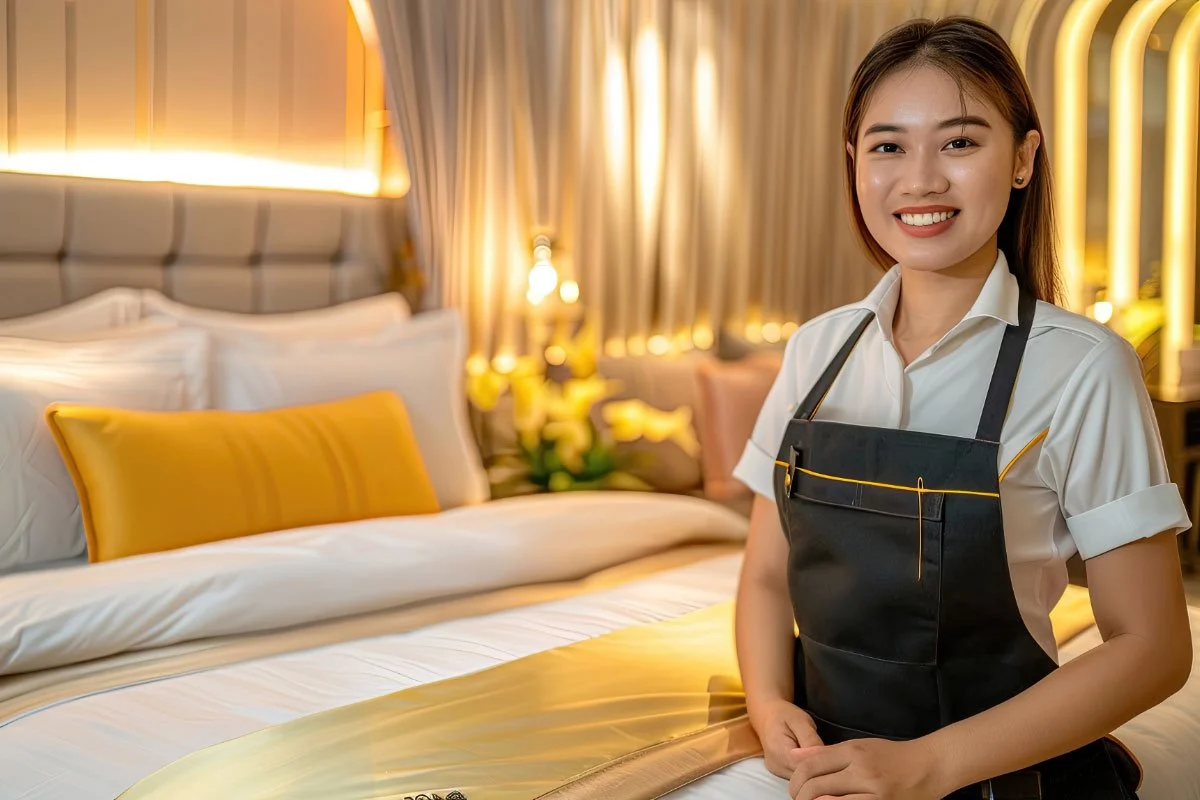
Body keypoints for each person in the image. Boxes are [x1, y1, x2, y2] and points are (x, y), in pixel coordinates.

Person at [732, 16, 1193, 800]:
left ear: (1021, 159)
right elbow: (768, 577)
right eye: (887, 147)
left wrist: (928, 765)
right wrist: (769, 700)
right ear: (853, 164)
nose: (920, 180)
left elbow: (1151, 646)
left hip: (1003, 778)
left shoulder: (1083, 366)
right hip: (824, 766)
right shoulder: (816, 350)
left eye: (958, 142)